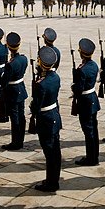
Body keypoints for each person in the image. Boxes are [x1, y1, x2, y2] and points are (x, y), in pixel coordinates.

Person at [31, 46, 62, 192]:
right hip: (54, 115)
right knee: (55, 151)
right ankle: (53, 178)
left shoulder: (41, 85)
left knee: (50, 153)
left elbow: (36, 106)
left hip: (46, 119)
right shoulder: (55, 77)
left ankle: (51, 183)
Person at [73, 38, 100, 166]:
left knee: (88, 130)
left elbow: (78, 89)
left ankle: (91, 158)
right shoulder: (94, 65)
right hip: (93, 99)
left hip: (85, 101)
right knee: (93, 129)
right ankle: (95, 154)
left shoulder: (82, 69)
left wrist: (74, 85)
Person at [1, 32, 28, 151]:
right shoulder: (23, 58)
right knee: (21, 116)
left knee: (15, 117)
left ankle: (15, 142)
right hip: (21, 89)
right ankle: (20, 140)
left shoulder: (10, 64)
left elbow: (4, 81)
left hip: (12, 92)